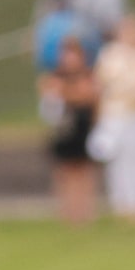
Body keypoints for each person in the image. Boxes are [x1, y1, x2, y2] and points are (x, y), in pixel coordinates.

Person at [94, 11, 135, 220]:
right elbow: (101, 86)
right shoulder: (109, 55)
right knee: (118, 161)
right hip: (115, 113)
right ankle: (122, 204)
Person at [40, 33, 99, 225]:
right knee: (64, 170)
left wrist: (64, 92)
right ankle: (67, 212)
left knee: (83, 170)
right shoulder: (55, 76)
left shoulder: (87, 75)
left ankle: (84, 212)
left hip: (82, 126)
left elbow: (88, 95)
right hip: (64, 127)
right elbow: (48, 98)